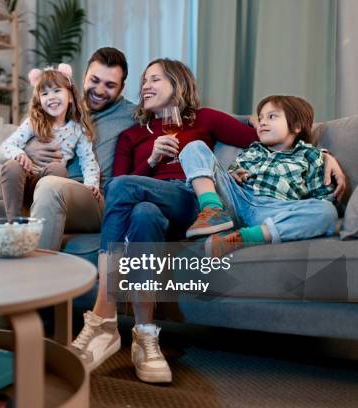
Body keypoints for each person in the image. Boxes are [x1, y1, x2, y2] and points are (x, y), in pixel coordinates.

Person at [67, 58, 346, 384]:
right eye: (144, 80)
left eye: (155, 78)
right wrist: (153, 158)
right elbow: (121, 187)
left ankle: (104, 316)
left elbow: (263, 138)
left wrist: (322, 154)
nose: (146, 85)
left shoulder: (204, 118)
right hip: (150, 204)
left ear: (178, 82)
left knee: (154, 179)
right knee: (139, 208)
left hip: (189, 198)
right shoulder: (131, 136)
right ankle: (145, 337)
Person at [0, 47, 136, 249]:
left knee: (51, 184)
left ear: (122, 87)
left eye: (110, 85)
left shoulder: (133, 116)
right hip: (37, 186)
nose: (100, 90)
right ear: (83, 77)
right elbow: (17, 142)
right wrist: (27, 151)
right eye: (94, 80)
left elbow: (88, 159)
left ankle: (38, 274)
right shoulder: (55, 105)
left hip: (87, 196)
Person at [178, 95, 338, 256]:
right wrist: (234, 174)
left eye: (272, 117)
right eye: (261, 118)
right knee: (194, 147)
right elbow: (232, 174)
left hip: (271, 209)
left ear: (296, 126)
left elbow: (323, 197)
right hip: (236, 199)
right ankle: (212, 210)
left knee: (326, 211)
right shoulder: (253, 149)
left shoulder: (310, 156)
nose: (262, 122)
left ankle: (242, 238)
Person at [0, 64, 100, 218]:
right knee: (13, 165)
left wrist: (91, 184)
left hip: (47, 187)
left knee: (58, 168)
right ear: (39, 100)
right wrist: (20, 154)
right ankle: (14, 223)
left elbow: (88, 161)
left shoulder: (77, 129)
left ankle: (42, 218)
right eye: (45, 93)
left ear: (71, 97)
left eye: (57, 90)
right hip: (22, 181)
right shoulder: (33, 122)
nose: (51, 97)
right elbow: (7, 145)